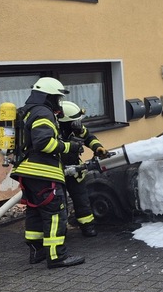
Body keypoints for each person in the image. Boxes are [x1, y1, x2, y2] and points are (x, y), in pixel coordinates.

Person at [11, 77, 85, 268]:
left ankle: (37, 253)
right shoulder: (43, 113)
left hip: (29, 173)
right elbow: (43, 143)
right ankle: (57, 256)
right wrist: (70, 147)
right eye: (57, 98)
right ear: (48, 97)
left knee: (35, 212)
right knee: (55, 214)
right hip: (44, 173)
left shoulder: (28, 112)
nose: (59, 102)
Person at [58, 101, 109, 237]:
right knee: (59, 202)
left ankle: (88, 227)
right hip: (57, 171)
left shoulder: (76, 129)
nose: (78, 124)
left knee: (82, 199)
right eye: (75, 121)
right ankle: (60, 232)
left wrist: (97, 147)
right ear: (66, 121)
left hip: (75, 170)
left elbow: (88, 137)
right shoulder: (53, 132)